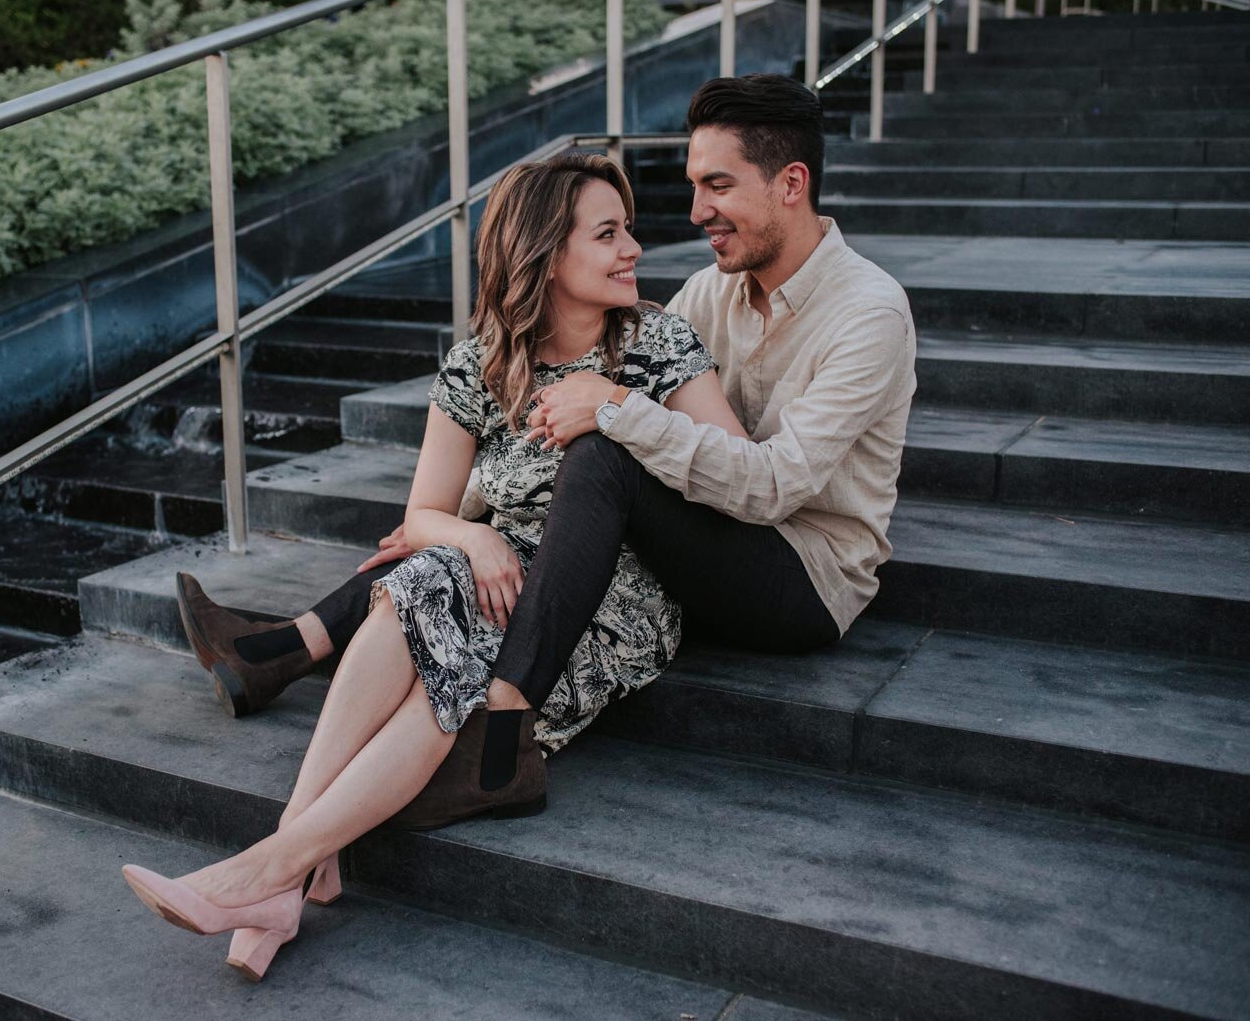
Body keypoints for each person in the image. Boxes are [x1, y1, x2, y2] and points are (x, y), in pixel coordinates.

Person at [176, 73, 916, 826]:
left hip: (799, 571)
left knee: (599, 456)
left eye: (716, 186)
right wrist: (455, 531)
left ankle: (504, 717)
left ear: (791, 183)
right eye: (694, 186)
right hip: (704, 527)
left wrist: (614, 407)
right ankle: (277, 655)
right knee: (476, 534)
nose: (695, 213)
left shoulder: (869, 313)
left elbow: (772, 488)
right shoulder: (707, 293)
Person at [125, 152, 745, 979]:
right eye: (608, 233)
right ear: (543, 255)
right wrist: (475, 537)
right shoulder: (477, 366)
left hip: (603, 604)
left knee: (443, 651)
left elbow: (734, 469)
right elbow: (421, 515)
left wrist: (622, 409)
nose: (633, 247)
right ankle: (291, 866)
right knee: (414, 579)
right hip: (500, 570)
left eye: (626, 229)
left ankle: (273, 866)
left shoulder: (656, 343)